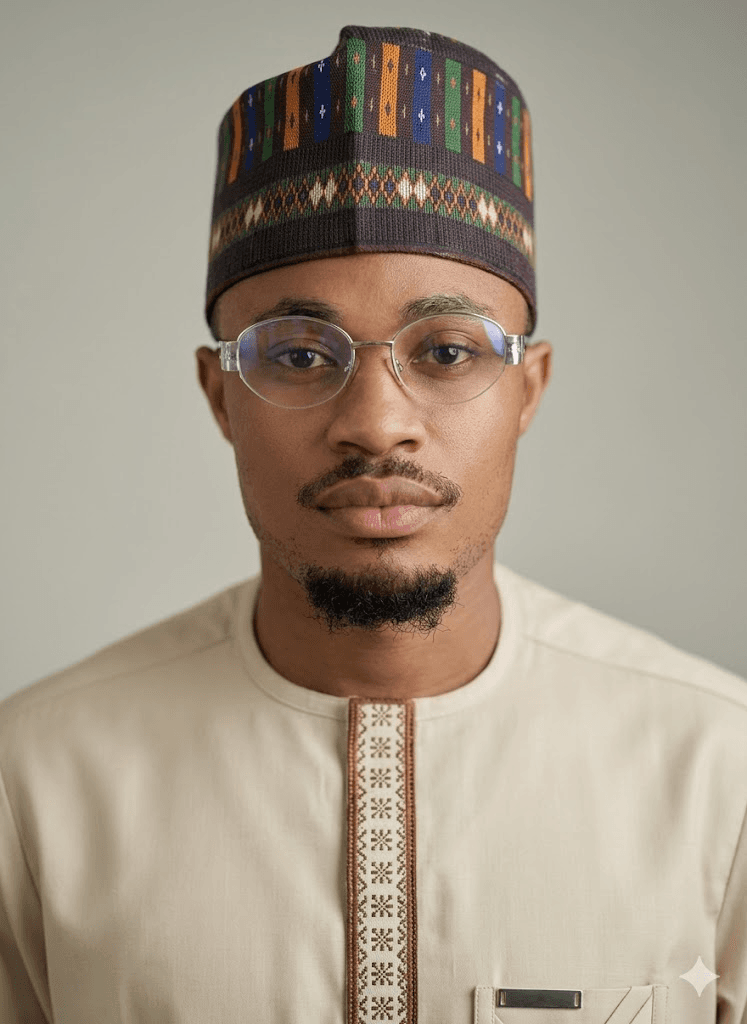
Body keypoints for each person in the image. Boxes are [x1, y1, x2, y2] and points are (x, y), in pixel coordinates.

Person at [1, 23, 745, 1024]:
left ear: (529, 388)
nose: (377, 422)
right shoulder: (36, 786)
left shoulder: (718, 776)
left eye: (444, 351)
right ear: (220, 396)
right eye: (300, 355)